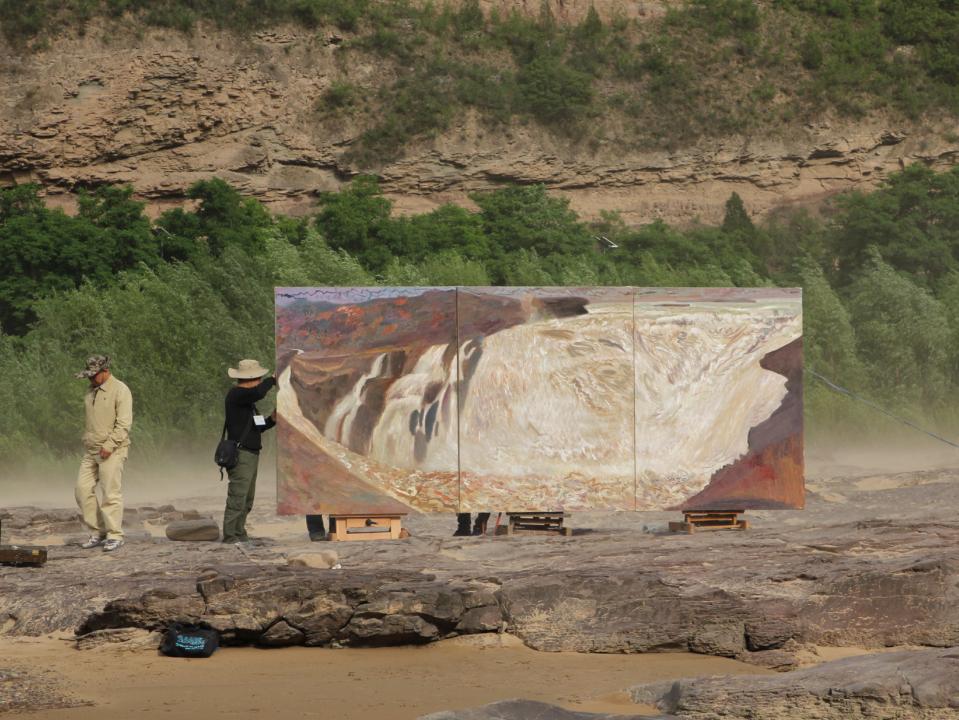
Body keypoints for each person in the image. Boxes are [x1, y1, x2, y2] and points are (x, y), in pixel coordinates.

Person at [75, 355, 133, 553]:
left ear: (105, 371)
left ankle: (115, 535)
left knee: (110, 493)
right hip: (91, 449)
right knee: (82, 490)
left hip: (113, 450)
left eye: (93, 375)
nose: (90, 379)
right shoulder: (91, 391)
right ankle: (98, 531)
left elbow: (124, 424)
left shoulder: (121, 390)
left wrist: (110, 445)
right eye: (89, 376)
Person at [222, 359, 277, 544]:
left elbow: (258, 427)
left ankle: (239, 532)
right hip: (242, 454)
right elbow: (259, 393)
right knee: (238, 496)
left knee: (247, 498)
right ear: (252, 378)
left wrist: (272, 419)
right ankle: (230, 535)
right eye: (259, 378)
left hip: (251, 454)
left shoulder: (247, 402)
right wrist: (272, 380)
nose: (261, 381)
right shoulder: (237, 394)